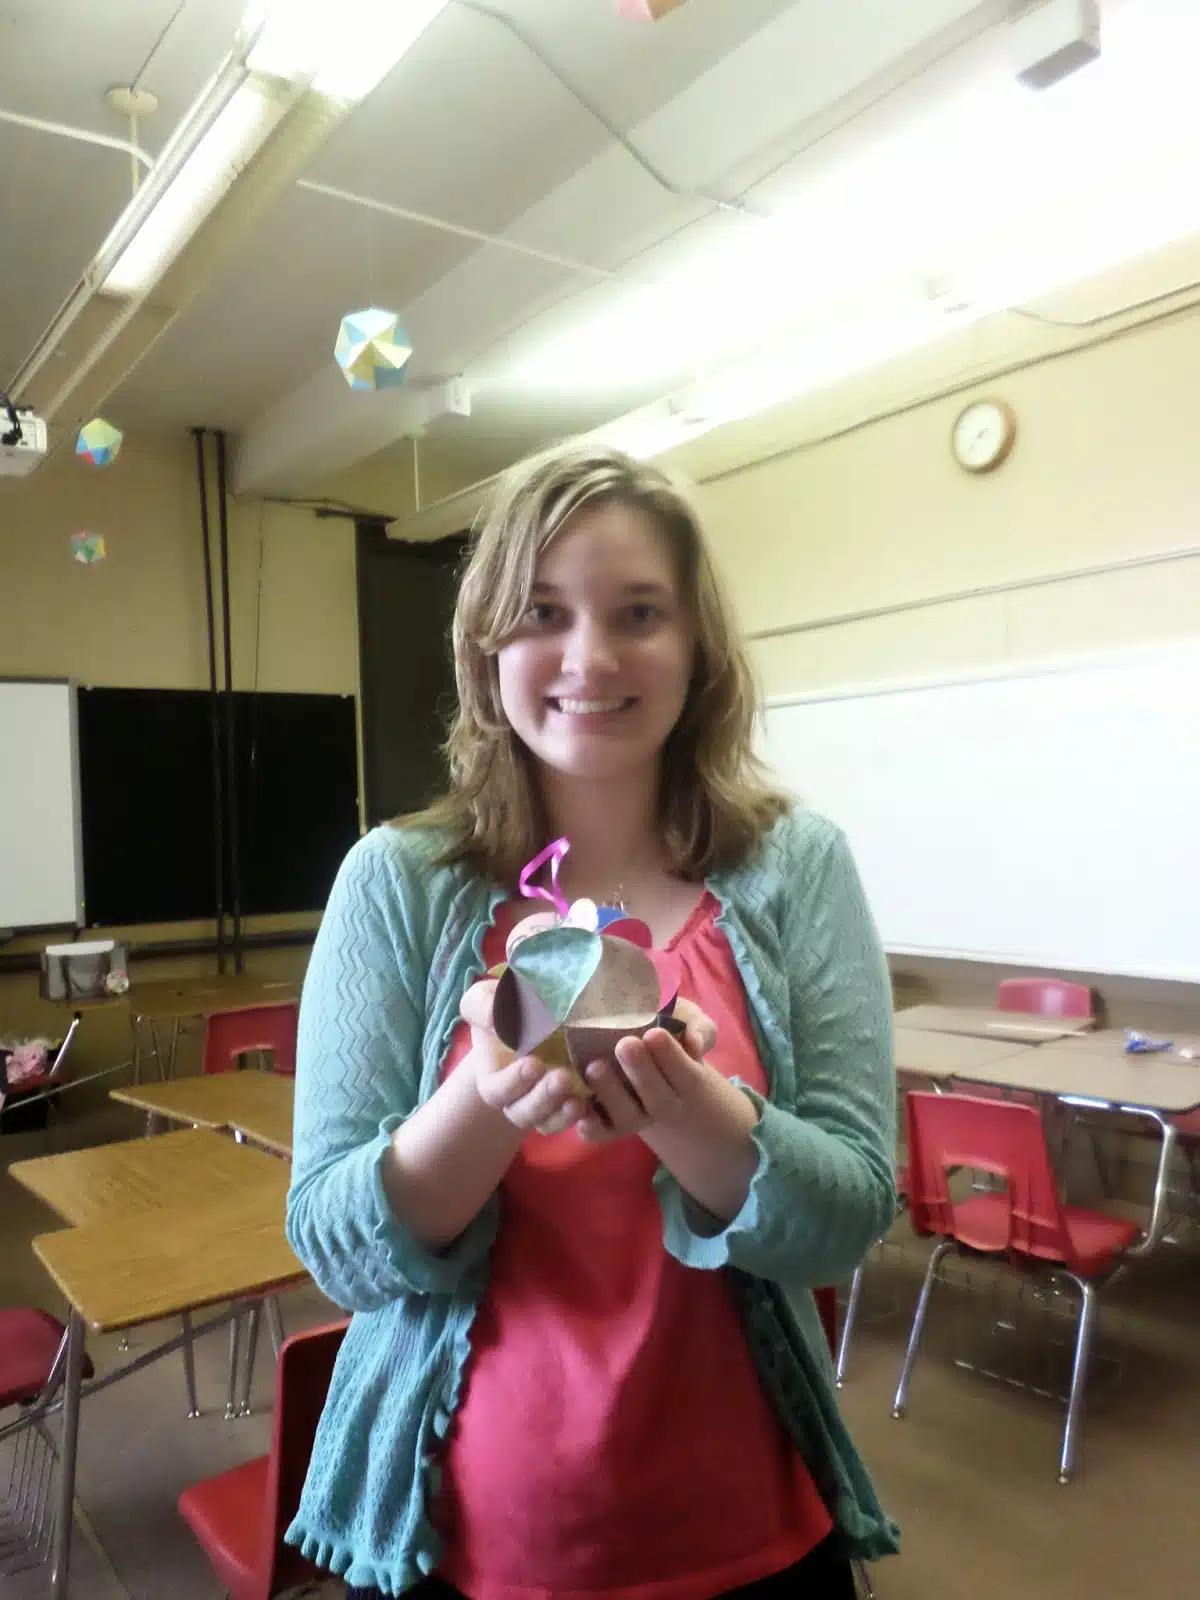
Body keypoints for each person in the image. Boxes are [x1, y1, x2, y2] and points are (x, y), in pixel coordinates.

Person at [284, 443, 899, 1600]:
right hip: (464, 1544)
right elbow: (332, 1240)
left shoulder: (796, 867)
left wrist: (694, 1110)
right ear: (488, 646)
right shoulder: (397, 882)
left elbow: (849, 1215)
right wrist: (485, 1094)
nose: (590, 657)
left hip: (753, 1537)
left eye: (639, 612)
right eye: (544, 613)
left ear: (696, 645)